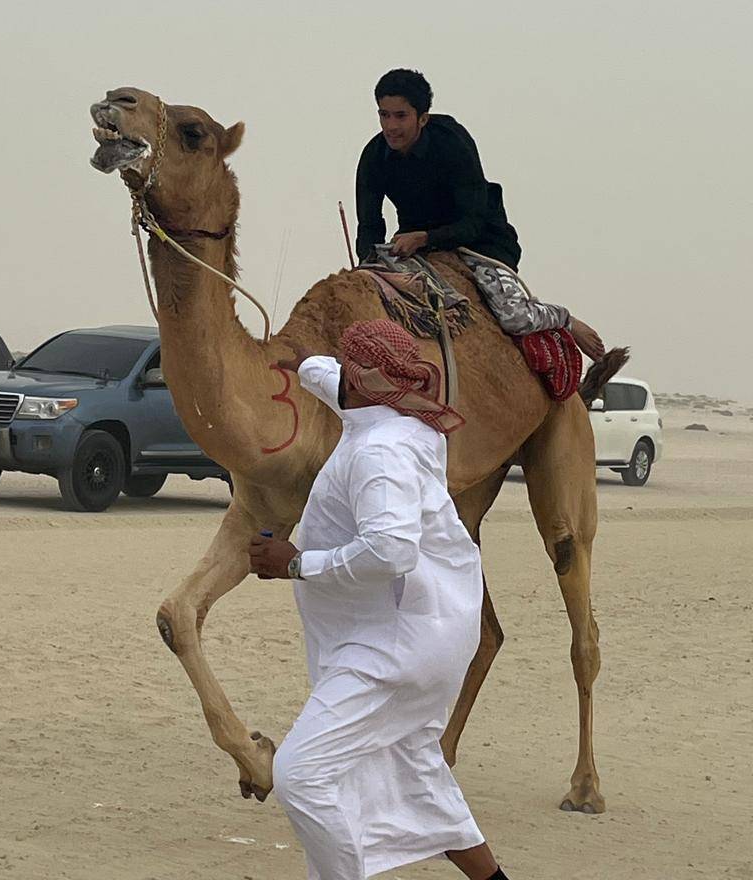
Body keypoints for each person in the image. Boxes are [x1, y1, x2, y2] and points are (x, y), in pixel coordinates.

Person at [249, 320, 511, 880]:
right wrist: (299, 361)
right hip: (433, 627)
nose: (340, 372)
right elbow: (335, 379)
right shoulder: (400, 416)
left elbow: (391, 551)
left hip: (394, 646)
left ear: (366, 378)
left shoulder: (380, 453)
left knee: (301, 776)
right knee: (417, 770)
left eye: (350, 365)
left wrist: (294, 564)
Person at [355, 67, 604, 361]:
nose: (391, 126)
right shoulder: (373, 157)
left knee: (513, 318)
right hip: (416, 250)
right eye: (384, 115)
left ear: (422, 117)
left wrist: (424, 237)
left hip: (480, 241)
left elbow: (472, 222)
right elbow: (369, 227)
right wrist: (367, 267)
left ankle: (563, 319)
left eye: (400, 116)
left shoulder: (452, 143)